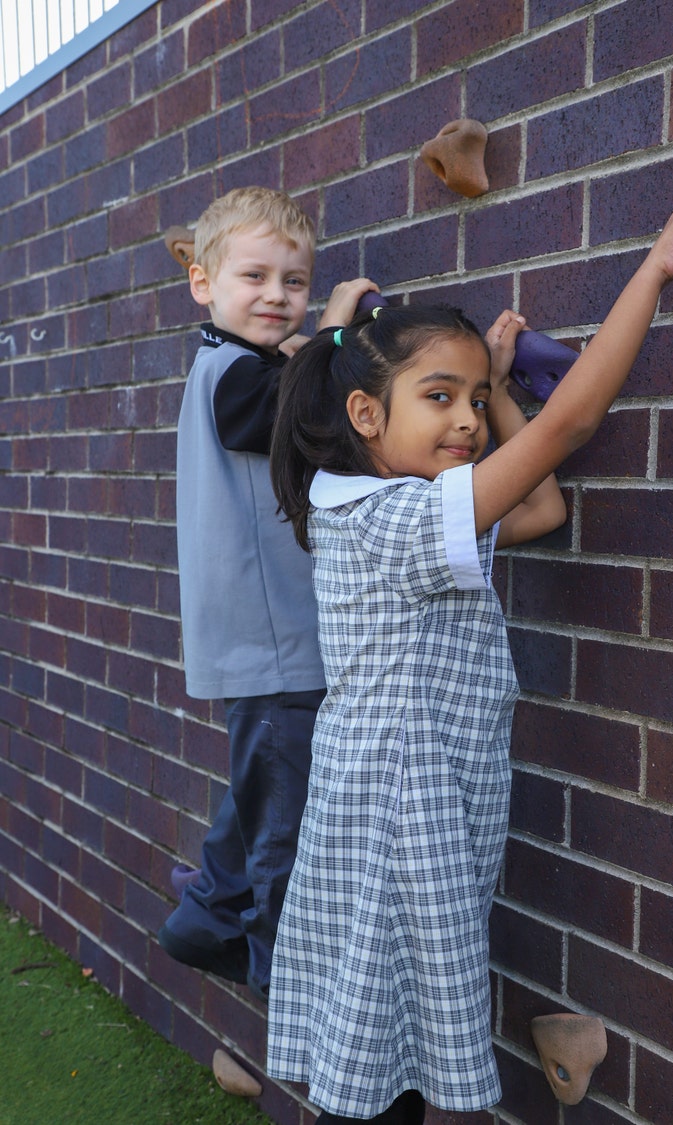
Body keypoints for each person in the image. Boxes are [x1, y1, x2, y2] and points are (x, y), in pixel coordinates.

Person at [266, 187, 673, 1121]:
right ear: (363, 413)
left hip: (420, 798)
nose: (468, 420)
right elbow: (572, 430)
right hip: (400, 807)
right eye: (438, 398)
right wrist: (653, 271)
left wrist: (499, 390)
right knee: (374, 1059)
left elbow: (542, 508)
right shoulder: (391, 518)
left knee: (383, 1043)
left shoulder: (397, 510)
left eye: (475, 400)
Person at [157, 185, 377, 1000]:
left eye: (295, 281)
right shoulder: (230, 374)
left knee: (263, 790)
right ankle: (296, 983)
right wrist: (332, 335)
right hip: (275, 642)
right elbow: (278, 412)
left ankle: (208, 913)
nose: (277, 296)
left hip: (269, 643)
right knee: (288, 826)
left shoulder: (236, 365)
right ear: (203, 283)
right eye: (254, 277)